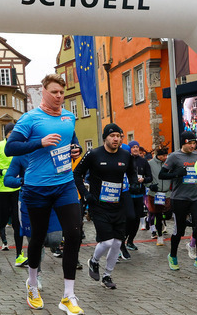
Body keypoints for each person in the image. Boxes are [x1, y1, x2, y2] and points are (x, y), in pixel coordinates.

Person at [5, 74, 84, 315]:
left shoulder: (69, 117)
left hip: (65, 184)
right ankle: (32, 284)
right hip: (37, 187)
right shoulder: (30, 118)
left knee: (74, 234)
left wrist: (76, 149)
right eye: (54, 92)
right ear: (44, 92)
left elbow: (72, 140)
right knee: (37, 238)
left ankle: (68, 296)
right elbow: (10, 148)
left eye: (62, 92)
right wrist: (40, 142)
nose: (59, 96)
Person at [74, 124, 137, 290]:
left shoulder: (125, 155)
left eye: (118, 136)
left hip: (118, 204)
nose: (116, 139)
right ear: (105, 138)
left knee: (117, 243)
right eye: (112, 136)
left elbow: (132, 172)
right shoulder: (94, 154)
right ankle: (93, 261)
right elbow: (77, 174)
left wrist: (134, 183)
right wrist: (85, 194)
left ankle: (107, 275)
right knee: (107, 241)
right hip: (98, 204)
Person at [158, 130, 197, 272]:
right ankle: (173, 255)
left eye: (194, 143)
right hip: (179, 198)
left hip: (196, 197)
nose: (193, 146)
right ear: (183, 143)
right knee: (179, 230)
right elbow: (162, 174)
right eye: (190, 143)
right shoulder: (174, 156)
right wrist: (176, 174)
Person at [0, 123, 25, 265]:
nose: (14, 135)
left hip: (16, 189)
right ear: (7, 134)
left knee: (17, 223)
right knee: (2, 221)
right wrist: (1, 171)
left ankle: (19, 256)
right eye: (12, 132)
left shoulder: (21, 147)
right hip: (1, 189)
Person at [124, 140, 153, 252]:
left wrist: (143, 179)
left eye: (137, 147)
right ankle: (122, 240)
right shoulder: (126, 160)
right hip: (128, 194)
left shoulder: (143, 161)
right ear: (129, 149)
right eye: (133, 147)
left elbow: (150, 177)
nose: (135, 149)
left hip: (139, 194)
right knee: (129, 218)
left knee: (136, 219)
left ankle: (130, 241)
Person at [146, 147, 172, 245]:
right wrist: (150, 186)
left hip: (167, 193)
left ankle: (160, 222)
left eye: (166, 155)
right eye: (163, 156)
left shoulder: (169, 163)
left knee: (168, 214)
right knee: (158, 215)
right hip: (155, 194)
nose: (165, 157)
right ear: (158, 155)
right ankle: (159, 236)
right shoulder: (150, 164)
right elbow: (145, 177)